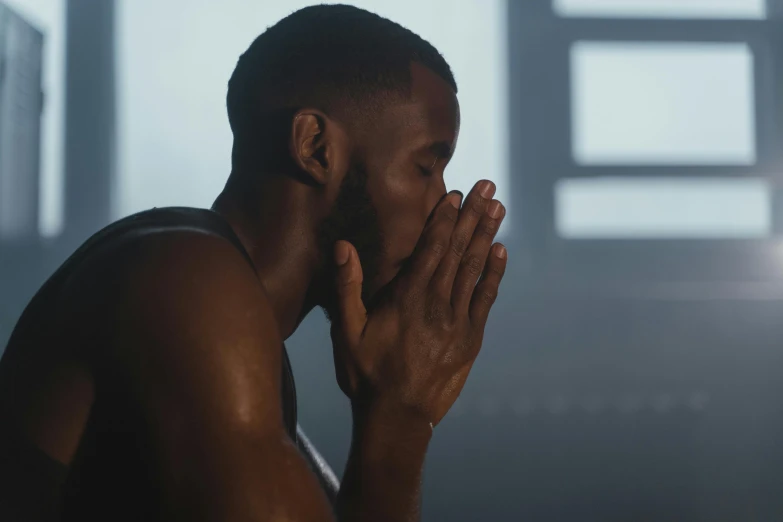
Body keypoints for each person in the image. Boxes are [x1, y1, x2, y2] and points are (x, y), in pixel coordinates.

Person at [0, 4, 507, 521]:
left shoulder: (240, 336)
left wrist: (396, 413)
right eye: (426, 168)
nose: (444, 207)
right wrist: (398, 423)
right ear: (314, 146)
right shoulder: (188, 280)